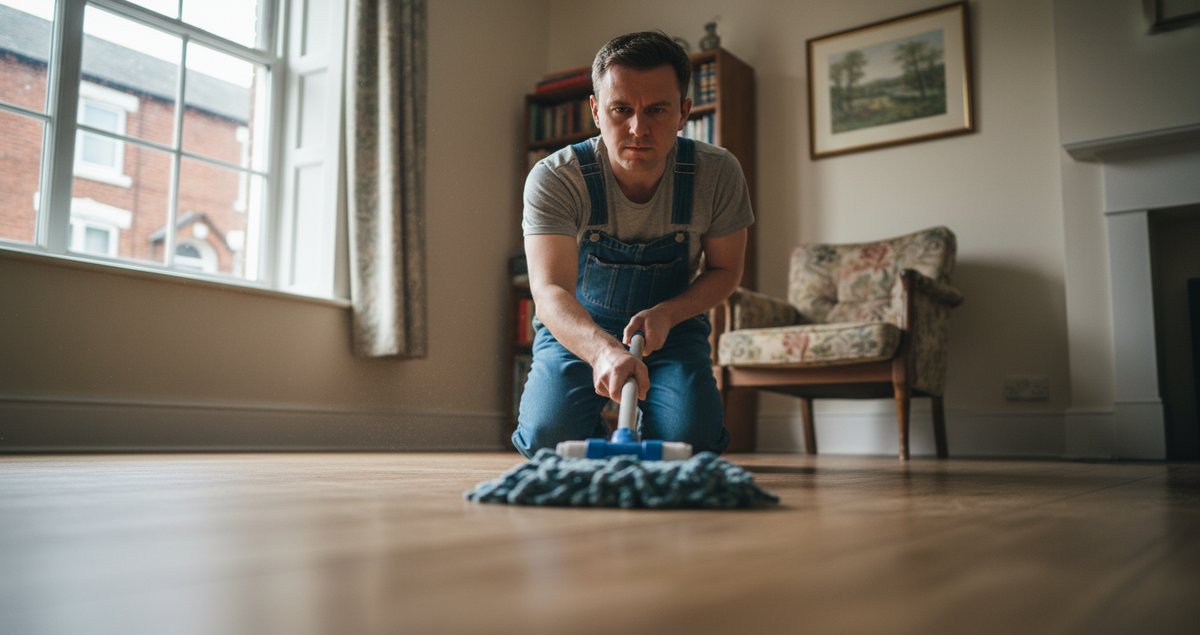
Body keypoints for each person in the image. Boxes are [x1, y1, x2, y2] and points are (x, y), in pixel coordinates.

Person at [512, 31, 753, 458]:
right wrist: (601, 350)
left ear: (683, 113)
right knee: (549, 440)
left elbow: (725, 271)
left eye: (657, 110)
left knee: (691, 445)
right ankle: (598, 439)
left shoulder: (718, 173)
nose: (638, 129)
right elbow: (549, 292)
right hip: (578, 329)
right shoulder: (555, 178)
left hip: (672, 331)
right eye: (621, 109)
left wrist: (669, 313)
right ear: (596, 111)